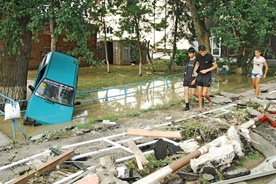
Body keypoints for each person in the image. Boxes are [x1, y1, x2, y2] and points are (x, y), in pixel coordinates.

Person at [193, 45, 218, 113]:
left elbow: (215, 66)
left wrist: (206, 70)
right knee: (199, 93)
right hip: (200, 75)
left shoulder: (209, 56)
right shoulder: (198, 56)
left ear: (205, 51)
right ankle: (200, 108)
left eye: (204, 52)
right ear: (199, 51)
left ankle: (210, 101)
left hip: (207, 76)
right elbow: (197, 64)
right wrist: (194, 71)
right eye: (201, 52)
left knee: (204, 94)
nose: (203, 53)